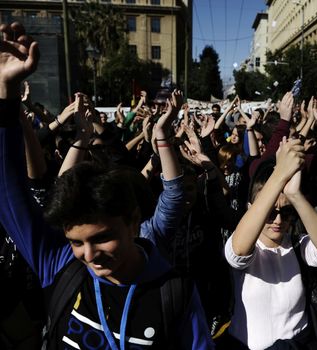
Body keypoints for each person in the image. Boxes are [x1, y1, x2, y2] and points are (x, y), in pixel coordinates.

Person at [0, 21, 213, 349]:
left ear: (132, 222)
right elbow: (8, 190)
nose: (89, 255)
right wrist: (5, 91)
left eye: (102, 237)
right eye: (75, 241)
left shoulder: (175, 293)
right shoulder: (61, 266)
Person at [223, 137, 317, 349]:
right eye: (270, 212)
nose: (278, 220)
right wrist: (279, 174)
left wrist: (295, 196)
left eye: (286, 212)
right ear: (253, 208)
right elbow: (238, 252)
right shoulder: (243, 241)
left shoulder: (296, 244)